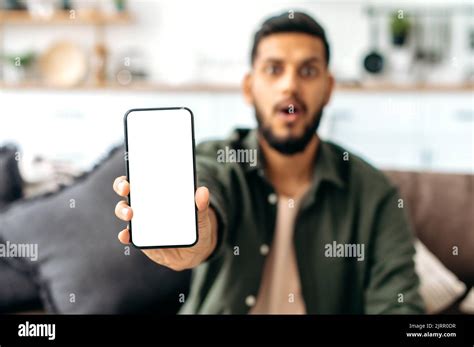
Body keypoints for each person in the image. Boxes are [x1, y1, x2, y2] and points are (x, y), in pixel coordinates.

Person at [113, 11, 424, 314]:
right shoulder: (218, 160)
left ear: (328, 88)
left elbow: (400, 305)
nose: (290, 86)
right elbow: (209, 199)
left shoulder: (375, 194)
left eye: (308, 71)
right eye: (274, 70)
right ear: (249, 87)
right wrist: (198, 239)